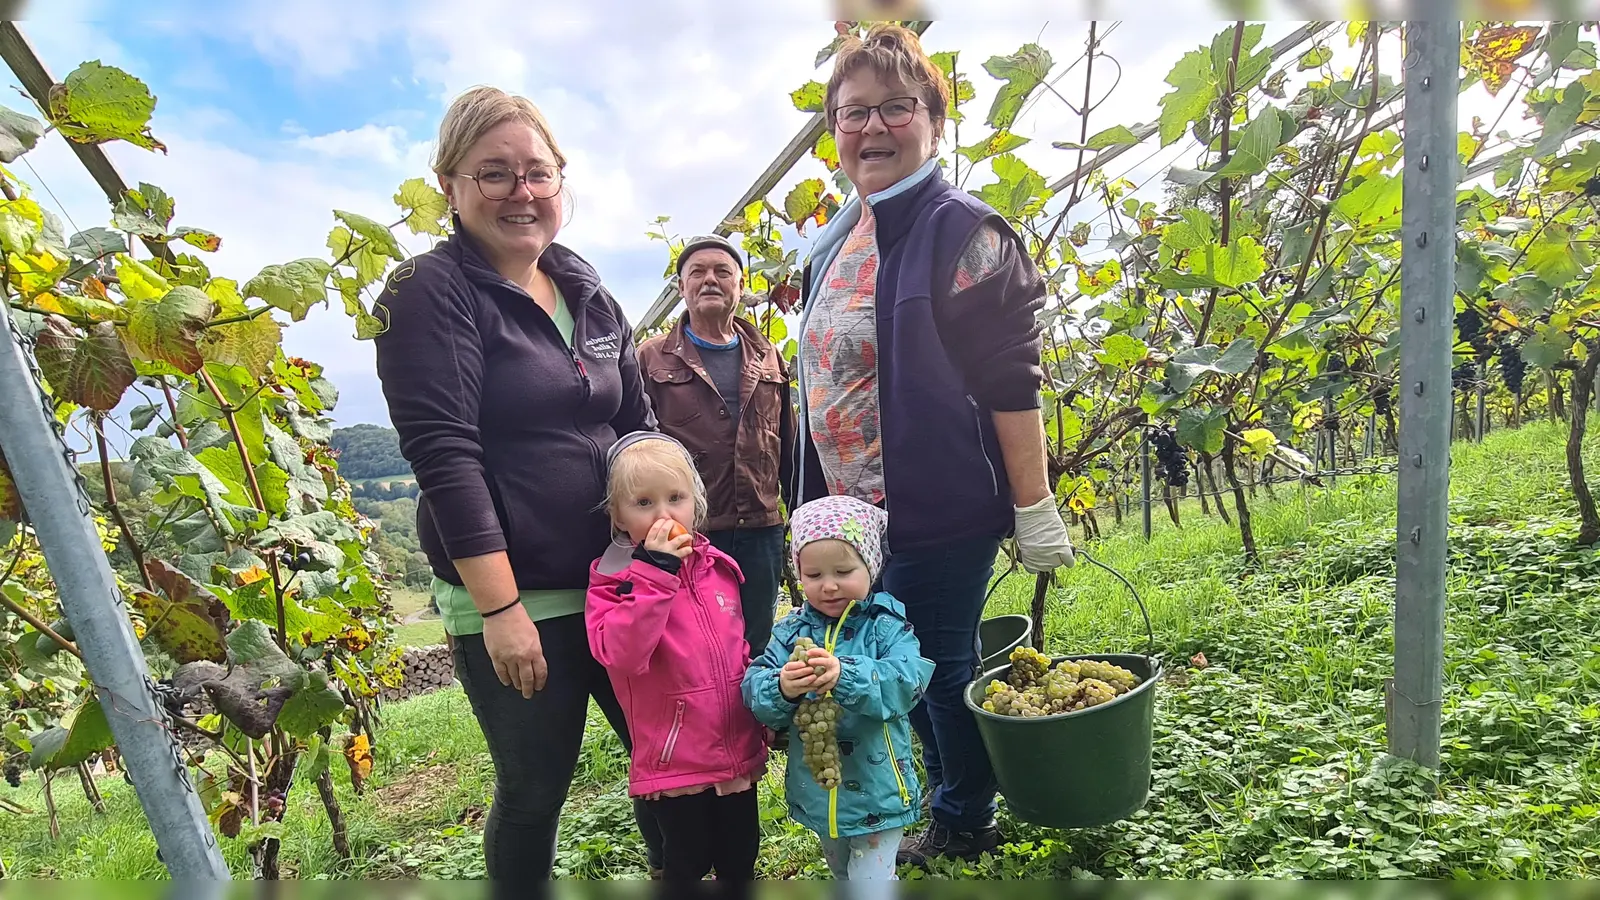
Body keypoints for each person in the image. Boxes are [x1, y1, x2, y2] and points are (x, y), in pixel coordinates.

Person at [791, 25, 1077, 866]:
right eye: (852, 114)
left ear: (934, 124)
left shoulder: (964, 233)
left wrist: (1033, 505)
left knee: (936, 661)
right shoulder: (838, 237)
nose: (872, 129)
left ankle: (965, 817)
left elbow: (1008, 381)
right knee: (898, 657)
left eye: (895, 109)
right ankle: (957, 794)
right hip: (856, 513)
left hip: (936, 501)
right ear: (833, 131)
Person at [372, 85, 663, 881]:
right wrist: (500, 609)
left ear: (560, 179)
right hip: (521, 596)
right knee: (536, 788)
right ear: (451, 187)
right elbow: (445, 453)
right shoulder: (427, 292)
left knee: (667, 762)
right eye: (493, 173)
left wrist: (669, 544)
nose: (521, 192)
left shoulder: (584, 286)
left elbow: (637, 423)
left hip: (621, 586)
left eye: (537, 171)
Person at [586, 431, 769, 883]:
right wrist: (656, 576)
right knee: (685, 863)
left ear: (696, 503)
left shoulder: (718, 569)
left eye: (675, 498)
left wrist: (764, 714)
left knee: (740, 857)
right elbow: (621, 654)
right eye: (643, 503)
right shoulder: (614, 582)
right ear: (617, 515)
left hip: (734, 752)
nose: (664, 514)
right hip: (676, 763)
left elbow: (736, 654)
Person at [742, 495, 934, 882]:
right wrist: (782, 687)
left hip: (879, 791)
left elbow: (907, 683)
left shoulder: (887, 626)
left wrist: (845, 675)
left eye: (843, 571)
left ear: (871, 566)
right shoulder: (789, 633)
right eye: (813, 576)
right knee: (843, 872)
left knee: (870, 882)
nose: (829, 586)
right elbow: (754, 689)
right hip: (819, 792)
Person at [637, 235, 796, 655]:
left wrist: (798, 516)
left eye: (723, 272)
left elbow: (790, 447)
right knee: (698, 648)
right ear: (680, 288)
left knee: (756, 644)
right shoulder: (649, 360)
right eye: (698, 273)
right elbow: (634, 451)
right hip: (687, 535)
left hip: (760, 533)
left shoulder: (769, 358)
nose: (711, 280)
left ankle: (757, 721)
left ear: (740, 287)